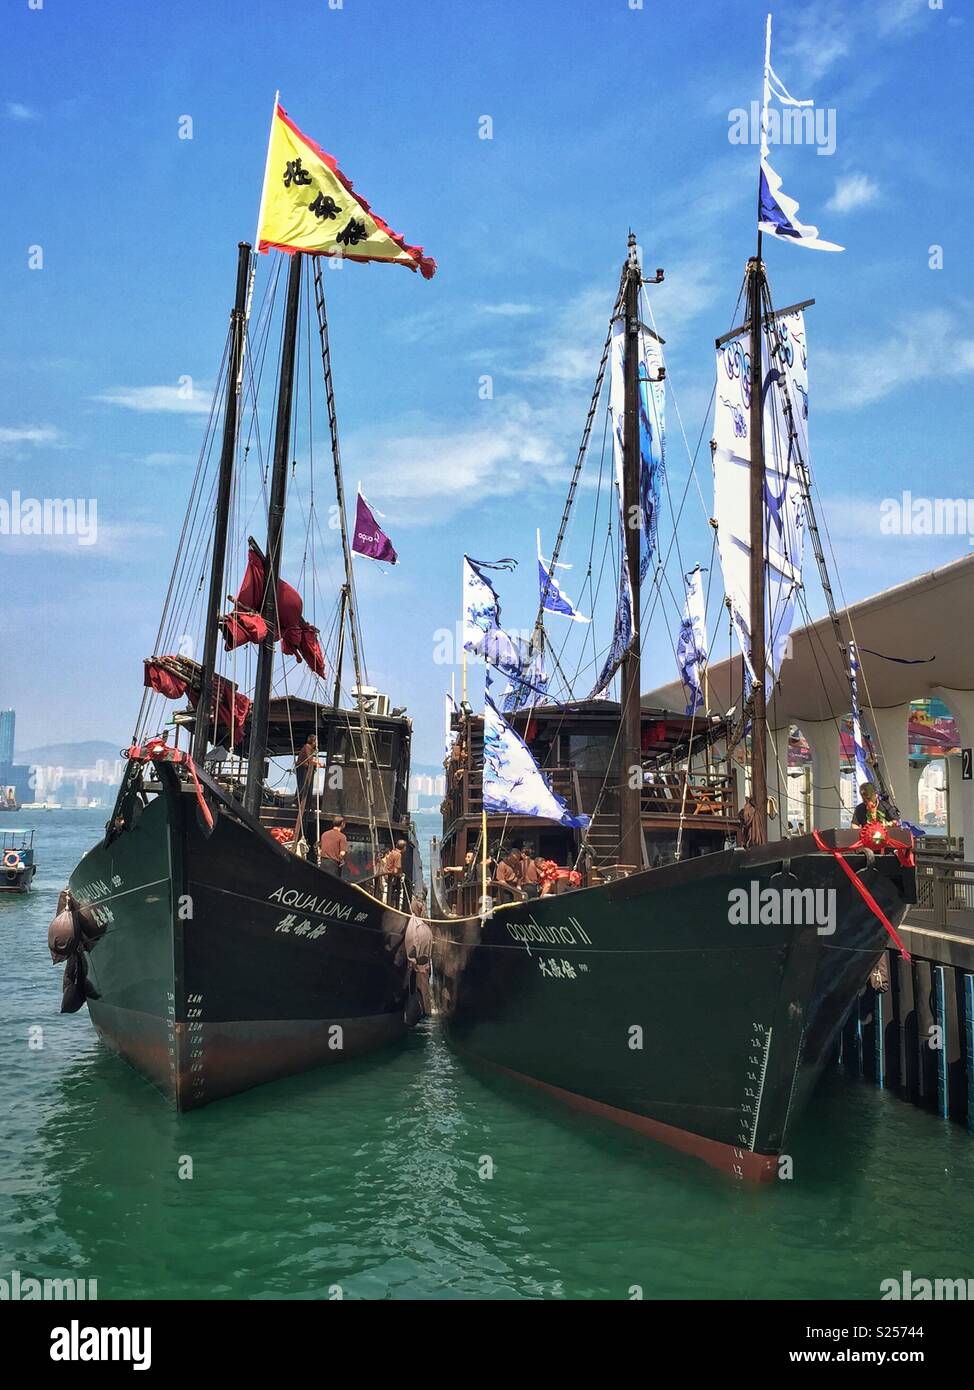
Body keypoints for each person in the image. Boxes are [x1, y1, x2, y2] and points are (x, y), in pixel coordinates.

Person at [404, 898, 434, 1016]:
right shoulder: (418, 925)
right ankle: (425, 1012)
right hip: (420, 967)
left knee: (420, 993)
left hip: (419, 966)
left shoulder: (416, 924)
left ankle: (423, 1011)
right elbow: (413, 944)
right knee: (422, 993)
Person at [294, 735, 321, 838]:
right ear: (313, 741)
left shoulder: (309, 748)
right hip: (302, 769)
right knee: (303, 786)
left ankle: (302, 802)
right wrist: (318, 763)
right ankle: (299, 803)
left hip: (304, 769)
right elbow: (309, 760)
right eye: (316, 741)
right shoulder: (307, 747)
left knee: (304, 786)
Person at [381, 839, 408, 907]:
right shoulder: (398, 855)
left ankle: (389, 903)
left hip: (386, 875)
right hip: (391, 877)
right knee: (399, 890)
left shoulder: (392, 852)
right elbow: (397, 868)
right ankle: (396, 906)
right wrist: (400, 875)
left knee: (390, 891)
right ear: (404, 847)